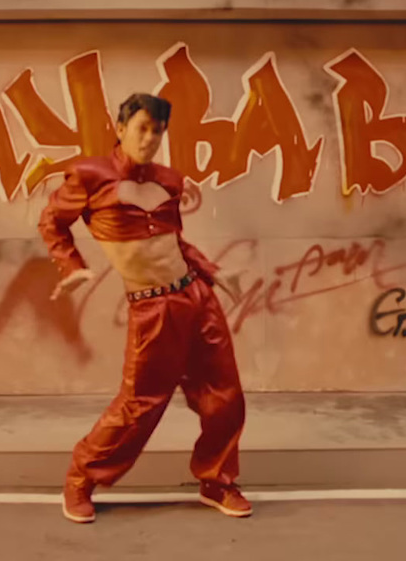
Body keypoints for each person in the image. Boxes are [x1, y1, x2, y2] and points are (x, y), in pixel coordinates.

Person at [38, 92, 251, 524]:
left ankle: (217, 481)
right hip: (153, 309)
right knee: (139, 406)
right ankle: (80, 478)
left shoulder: (171, 181)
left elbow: (175, 243)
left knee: (226, 396)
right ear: (120, 129)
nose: (150, 138)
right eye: (142, 128)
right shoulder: (89, 176)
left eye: (158, 130)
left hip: (196, 297)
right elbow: (51, 221)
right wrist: (71, 266)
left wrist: (214, 272)